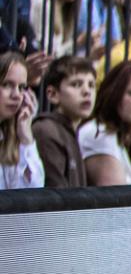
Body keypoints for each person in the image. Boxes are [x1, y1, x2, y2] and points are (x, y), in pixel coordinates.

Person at [33, 54, 94, 188]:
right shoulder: (46, 130)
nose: (87, 92)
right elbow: (56, 193)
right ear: (52, 94)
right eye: (76, 84)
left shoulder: (72, 131)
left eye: (91, 85)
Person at [0, 50, 43, 189]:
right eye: (7, 84)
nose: (17, 95)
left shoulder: (10, 135)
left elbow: (33, 192)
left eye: (21, 87)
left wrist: (26, 138)